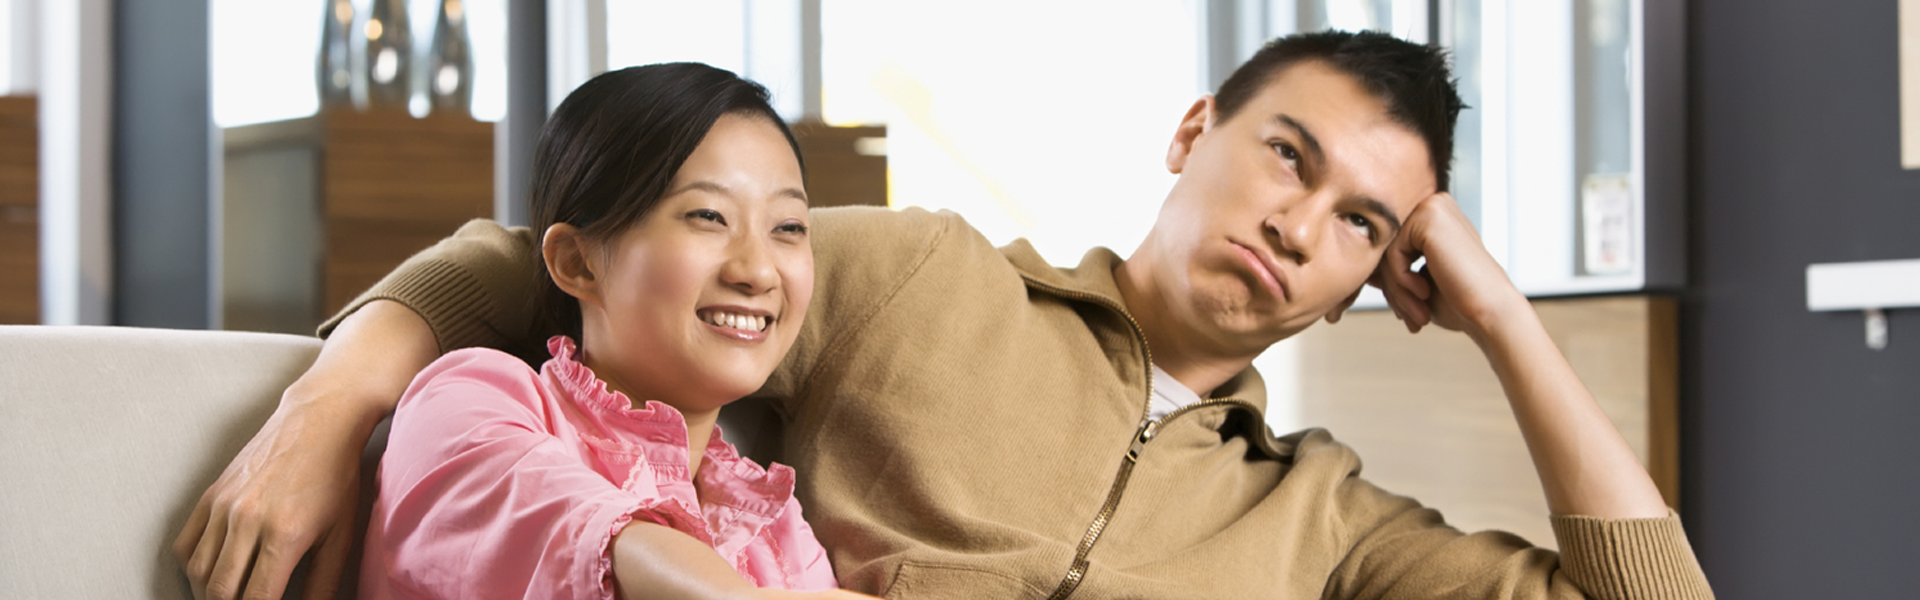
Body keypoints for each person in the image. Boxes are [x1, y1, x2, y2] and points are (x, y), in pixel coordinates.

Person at [176, 31, 1713, 599]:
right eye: (1287, 160)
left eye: (1365, 224)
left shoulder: (1326, 523)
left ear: (1384, 273)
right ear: (1196, 135)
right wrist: (337, 399)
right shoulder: (926, 275)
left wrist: (1505, 311)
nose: (1300, 229)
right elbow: (565, 253)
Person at [347, 63, 873, 600]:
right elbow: (586, 536)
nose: (758, 271)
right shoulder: (466, 402)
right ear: (577, 263)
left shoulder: (775, 528)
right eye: (708, 216)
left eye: (788, 228)